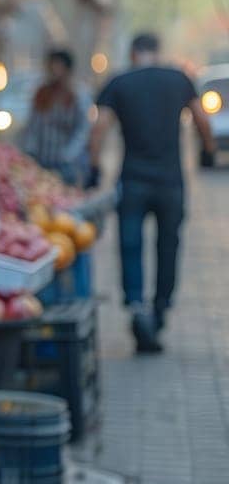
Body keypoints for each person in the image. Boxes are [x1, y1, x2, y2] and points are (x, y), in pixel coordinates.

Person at [88, 33, 215, 353]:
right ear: (156, 53)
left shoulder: (118, 83)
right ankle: (160, 308)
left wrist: (93, 166)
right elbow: (201, 118)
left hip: (132, 180)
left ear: (133, 53)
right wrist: (208, 152)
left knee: (130, 244)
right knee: (168, 244)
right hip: (171, 181)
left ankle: (136, 305)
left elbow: (100, 126)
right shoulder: (179, 80)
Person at [20, 49, 92, 187]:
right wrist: (30, 151)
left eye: (58, 67)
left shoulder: (77, 96)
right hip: (41, 161)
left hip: (66, 165)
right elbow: (33, 126)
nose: (54, 71)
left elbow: (82, 130)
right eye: (51, 66)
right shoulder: (42, 94)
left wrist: (68, 155)